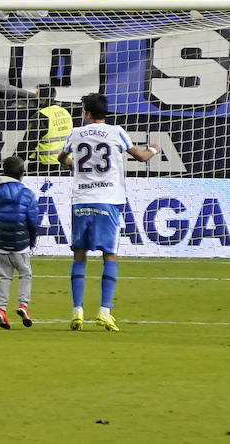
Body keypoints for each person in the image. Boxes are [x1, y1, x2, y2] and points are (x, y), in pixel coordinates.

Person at [58, 93, 162, 331]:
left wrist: (78, 167)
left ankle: (77, 312)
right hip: (108, 201)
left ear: (86, 113)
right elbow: (141, 156)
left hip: (81, 201)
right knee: (110, 256)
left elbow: (60, 158)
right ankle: (104, 312)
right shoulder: (117, 132)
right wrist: (154, 149)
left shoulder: (76, 133)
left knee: (79, 256)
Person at [0, 155, 40, 329]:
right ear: (23, 174)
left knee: (4, 276)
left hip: (1, 243)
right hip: (20, 243)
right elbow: (33, 221)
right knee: (25, 274)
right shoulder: (27, 194)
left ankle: (1, 309)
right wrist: (31, 241)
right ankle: (23, 305)